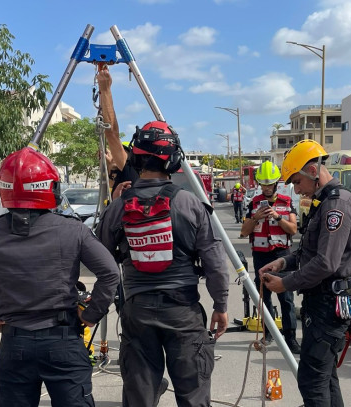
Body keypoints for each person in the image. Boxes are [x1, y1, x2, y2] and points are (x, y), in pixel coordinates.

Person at [0, 147, 121, 406]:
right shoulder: (73, 230)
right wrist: (91, 314)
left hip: (15, 344)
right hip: (64, 342)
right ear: (50, 188)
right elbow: (110, 273)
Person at [97, 120, 229, 407]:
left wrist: (112, 208)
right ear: (173, 160)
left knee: (139, 396)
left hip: (137, 311)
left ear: (136, 158)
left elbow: (101, 255)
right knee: (193, 395)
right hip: (182, 311)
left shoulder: (120, 205)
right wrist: (220, 305)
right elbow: (214, 262)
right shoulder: (190, 203)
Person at [259, 139, 351, 406]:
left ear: (313, 171)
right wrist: (283, 264)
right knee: (325, 376)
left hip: (329, 303)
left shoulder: (335, 206)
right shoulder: (324, 202)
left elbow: (326, 263)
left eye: (297, 181)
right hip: (324, 301)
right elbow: (312, 252)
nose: (296, 189)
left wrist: (286, 284)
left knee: (312, 380)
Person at [240, 161, 300, 352]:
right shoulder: (253, 204)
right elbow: (243, 231)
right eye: (263, 184)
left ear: (276, 183)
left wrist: (277, 216)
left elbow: (293, 229)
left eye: (270, 184)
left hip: (282, 256)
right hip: (261, 256)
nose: (266, 188)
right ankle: (268, 335)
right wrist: (256, 217)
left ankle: (290, 339)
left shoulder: (286, 202)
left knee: (287, 299)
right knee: (264, 298)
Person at [97, 63, 139, 198]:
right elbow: (110, 184)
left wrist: (105, 89)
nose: (115, 155)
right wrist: (108, 166)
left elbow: (111, 132)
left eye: (121, 153)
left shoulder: (132, 171)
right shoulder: (123, 178)